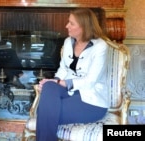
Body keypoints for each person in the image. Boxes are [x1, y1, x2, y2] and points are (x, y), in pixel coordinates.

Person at [36, 8, 109, 141]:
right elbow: (63, 69)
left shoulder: (100, 46)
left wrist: (60, 83)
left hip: (91, 101)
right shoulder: (68, 42)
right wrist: (54, 81)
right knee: (48, 87)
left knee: (45, 112)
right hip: (69, 92)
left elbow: (91, 80)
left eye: (71, 23)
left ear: (84, 27)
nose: (66, 26)